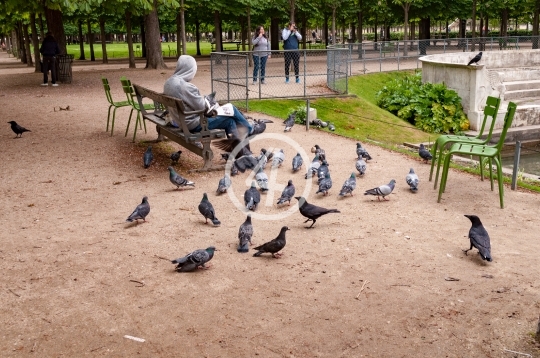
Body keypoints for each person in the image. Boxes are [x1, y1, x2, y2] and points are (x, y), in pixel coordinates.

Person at [163, 55, 253, 140]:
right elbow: (202, 108)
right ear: (189, 70)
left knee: (230, 120)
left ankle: (239, 150)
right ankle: (250, 130)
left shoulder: (169, 82)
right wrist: (211, 105)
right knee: (231, 110)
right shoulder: (185, 87)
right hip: (193, 124)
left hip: (180, 121)